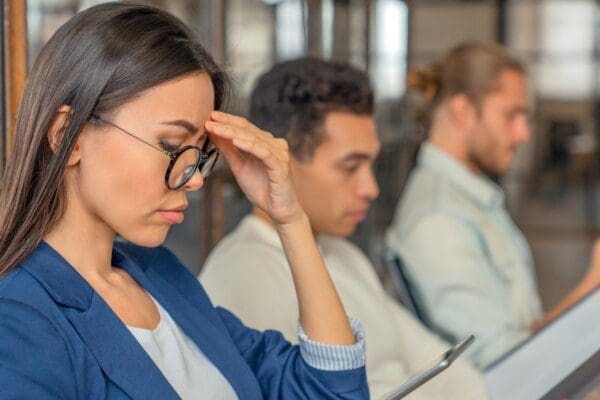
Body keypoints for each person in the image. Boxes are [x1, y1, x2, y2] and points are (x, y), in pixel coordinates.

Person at [0, 4, 369, 399]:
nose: (194, 179)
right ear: (66, 136)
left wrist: (291, 219)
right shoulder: (18, 319)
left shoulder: (162, 278)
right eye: (171, 145)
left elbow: (331, 392)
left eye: (201, 153)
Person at [200, 57, 489, 400]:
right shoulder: (244, 273)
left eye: (371, 164)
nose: (370, 188)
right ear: (276, 160)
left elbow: (448, 368)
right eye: (350, 167)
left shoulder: (346, 256)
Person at [386, 41, 600, 368]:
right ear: (462, 111)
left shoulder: (470, 201)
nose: (524, 133)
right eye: (512, 115)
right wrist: (591, 288)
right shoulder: (437, 220)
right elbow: (509, 368)